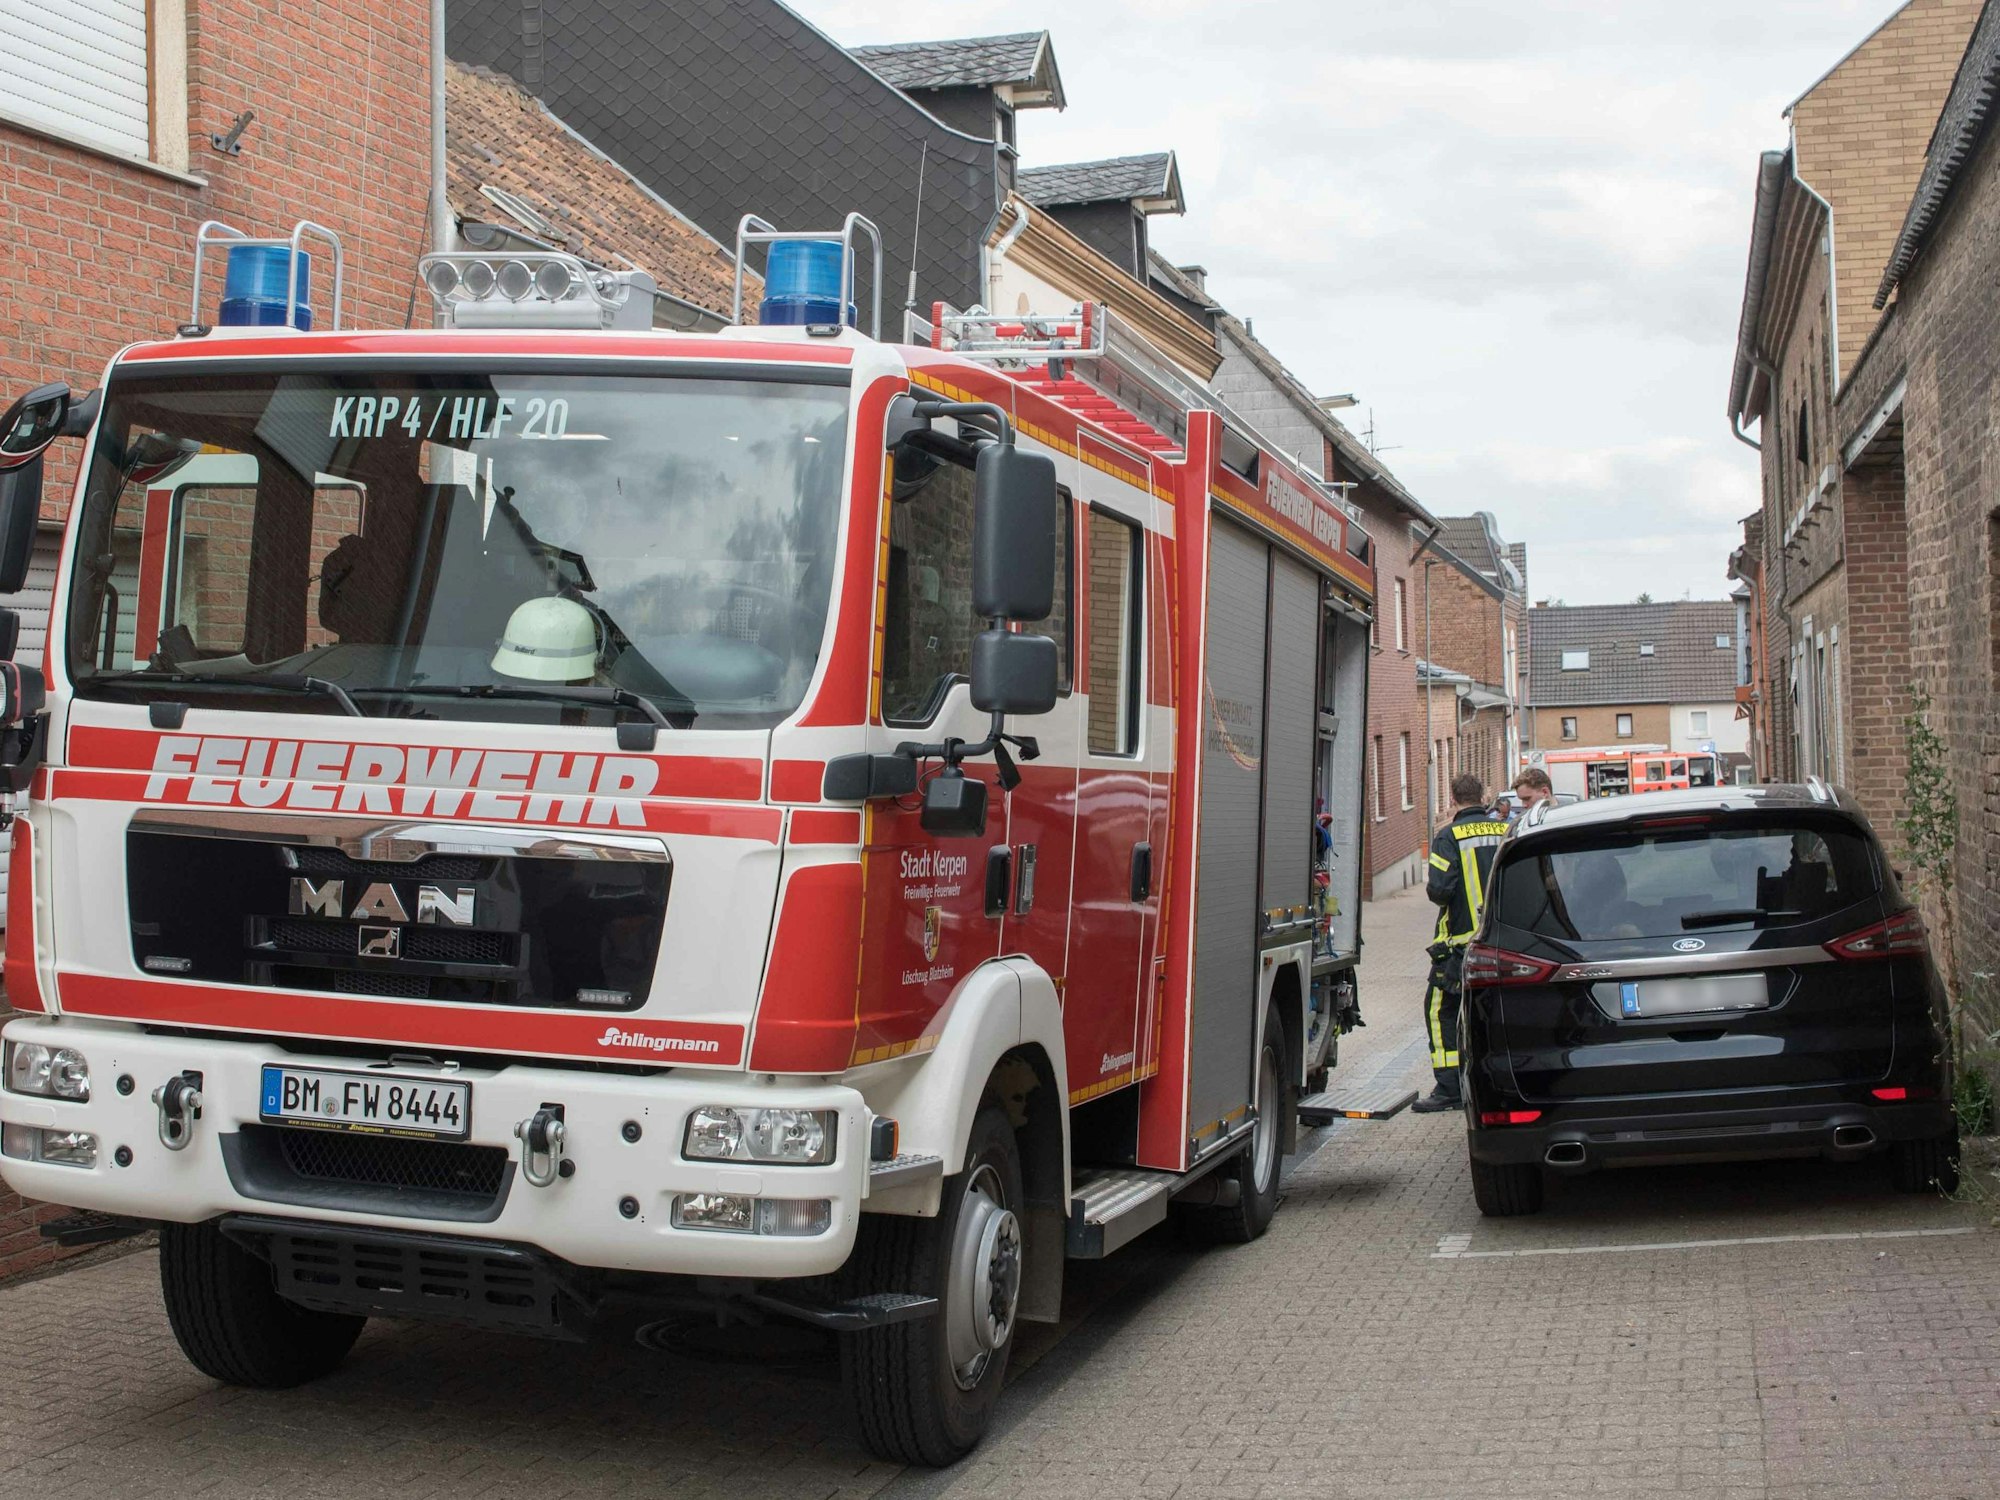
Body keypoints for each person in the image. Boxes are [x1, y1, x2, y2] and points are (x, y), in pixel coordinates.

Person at [1411, 773, 1511, 1113]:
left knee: (1440, 1010)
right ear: (1482, 795)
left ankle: (1450, 1087)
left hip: (1462, 946)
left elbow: (1439, 890)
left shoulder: (1448, 837)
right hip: (1507, 942)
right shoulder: (1505, 830)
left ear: (1453, 798)